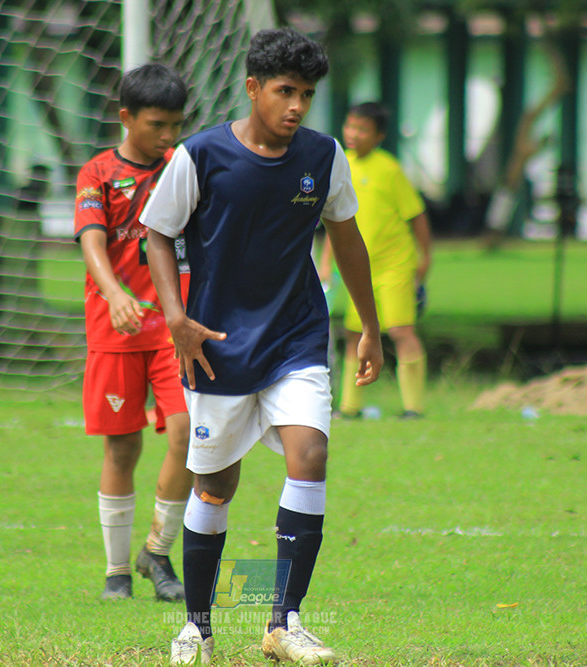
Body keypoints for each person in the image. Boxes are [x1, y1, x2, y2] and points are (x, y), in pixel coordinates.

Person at [141, 28, 383, 666]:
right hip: (215, 343)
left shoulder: (324, 156)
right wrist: (176, 318)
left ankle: (285, 623)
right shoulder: (200, 155)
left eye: (306, 93)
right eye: (284, 91)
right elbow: (158, 235)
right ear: (253, 88)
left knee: (310, 454)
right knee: (215, 484)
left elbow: (348, 240)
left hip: (296, 336)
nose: (297, 105)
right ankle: (197, 626)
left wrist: (372, 327)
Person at [74, 63, 193, 602]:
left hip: (175, 328)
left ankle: (158, 552)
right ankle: (117, 572)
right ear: (126, 118)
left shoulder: (186, 167)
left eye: (175, 125)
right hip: (116, 328)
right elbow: (92, 241)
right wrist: (116, 292)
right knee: (121, 451)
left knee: (188, 432)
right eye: (156, 124)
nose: (167, 136)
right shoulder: (97, 173)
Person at [320, 102, 433, 419]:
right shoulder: (342, 167)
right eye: (350, 126)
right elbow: (336, 221)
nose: (353, 134)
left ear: (379, 136)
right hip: (360, 269)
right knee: (356, 334)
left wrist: (426, 257)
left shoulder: (390, 170)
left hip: (394, 265)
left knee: (400, 331)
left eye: (362, 129)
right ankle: (350, 408)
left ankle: (413, 407)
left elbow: (417, 215)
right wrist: (327, 261)